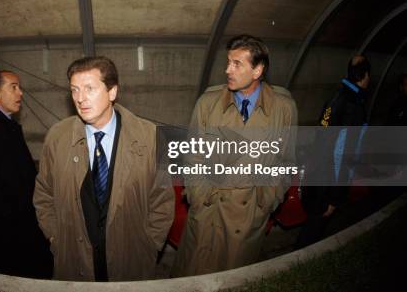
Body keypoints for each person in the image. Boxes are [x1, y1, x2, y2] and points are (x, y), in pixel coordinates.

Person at [34, 56, 174, 281]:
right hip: (74, 256)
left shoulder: (150, 137)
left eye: (89, 88)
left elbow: (162, 201)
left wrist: (150, 245)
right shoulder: (57, 137)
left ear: (112, 92)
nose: (80, 98)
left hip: (130, 258)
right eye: (74, 90)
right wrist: (55, 237)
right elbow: (43, 193)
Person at [172, 34, 297, 276]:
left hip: (249, 213)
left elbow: (285, 161)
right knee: (196, 276)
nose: (227, 69)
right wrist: (199, 195)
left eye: (237, 64)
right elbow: (192, 157)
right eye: (228, 62)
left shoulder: (283, 108)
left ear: (257, 70)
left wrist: (267, 200)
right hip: (209, 210)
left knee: (237, 279)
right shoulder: (208, 103)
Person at [0, 70, 52, 278]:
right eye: (13, 87)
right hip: (8, 226)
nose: (20, 93)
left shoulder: (3, 123)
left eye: (19, 87)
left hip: (21, 217)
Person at [296, 55, 370, 248]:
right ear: (365, 76)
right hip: (327, 186)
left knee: (312, 224)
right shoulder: (353, 106)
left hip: (317, 177)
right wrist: (335, 197)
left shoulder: (335, 97)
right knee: (314, 230)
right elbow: (343, 155)